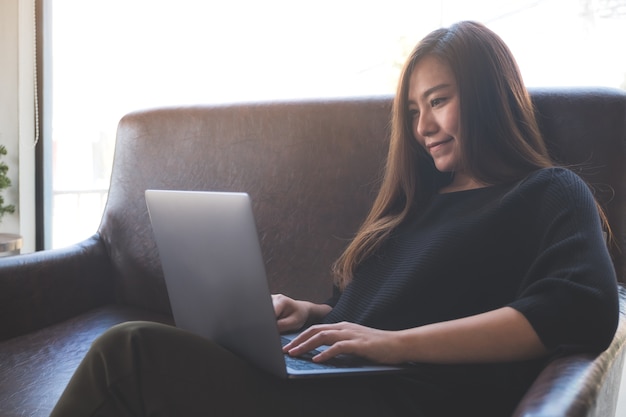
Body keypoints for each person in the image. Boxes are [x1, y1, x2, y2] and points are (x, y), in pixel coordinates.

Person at [50, 21, 619, 417]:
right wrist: (313, 314)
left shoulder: (546, 192)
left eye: (439, 100)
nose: (422, 126)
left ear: (491, 96)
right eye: (415, 110)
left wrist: (396, 344)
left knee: (128, 355)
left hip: (391, 398)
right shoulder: (421, 206)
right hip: (332, 383)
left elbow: (581, 308)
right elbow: (381, 315)